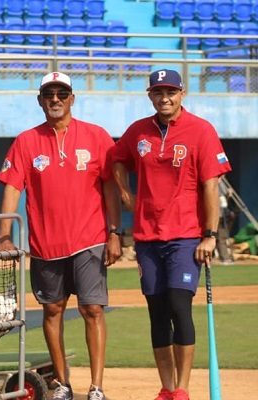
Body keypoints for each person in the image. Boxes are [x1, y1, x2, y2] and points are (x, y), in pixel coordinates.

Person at [0, 71, 122, 400]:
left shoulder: (97, 136)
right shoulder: (26, 140)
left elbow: (110, 186)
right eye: (49, 94)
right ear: (40, 100)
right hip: (45, 244)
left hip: (89, 238)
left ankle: (97, 386)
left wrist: (114, 232)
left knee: (92, 310)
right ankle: (63, 383)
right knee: (52, 310)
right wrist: (4, 234)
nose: (55, 99)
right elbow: (12, 186)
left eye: (61, 94)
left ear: (72, 99)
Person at [111, 69, 232, 400]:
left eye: (171, 92)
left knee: (180, 307)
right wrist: (125, 195)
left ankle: (182, 388)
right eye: (158, 92)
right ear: (150, 95)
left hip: (186, 235)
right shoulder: (138, 132)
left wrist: (210, 234)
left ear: (182, 93)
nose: (164, 98)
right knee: (157, 312)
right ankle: (166, 387)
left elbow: (210, 185)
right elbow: (116, 160)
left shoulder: (201, 131)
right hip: (147, 236)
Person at [216, 178, 235, 264]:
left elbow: (224, 200)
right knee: (220, 237)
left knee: (223, 236)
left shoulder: (223, 182)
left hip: (224, 214)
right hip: (217, 215)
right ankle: (224, 258)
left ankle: (225, 257)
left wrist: (228, 194)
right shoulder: (214, 181)